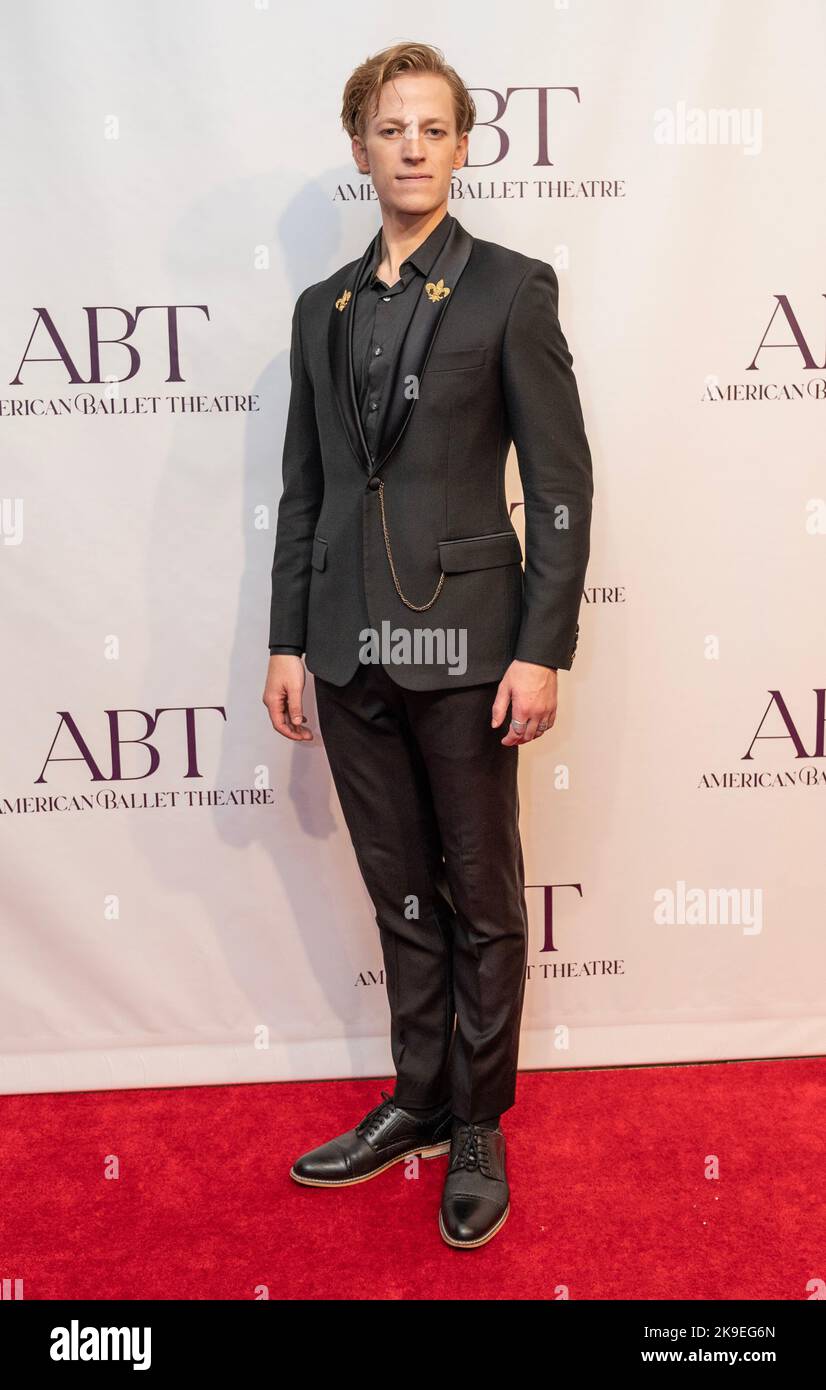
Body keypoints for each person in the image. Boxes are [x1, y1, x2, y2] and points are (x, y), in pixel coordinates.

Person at [263, 40, 593, 1249]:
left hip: (469, 645)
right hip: (345, 650)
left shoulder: (513, 287)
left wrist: (542, 645)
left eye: (434, 128)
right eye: (390, 129)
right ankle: (414, 1096)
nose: (412, 147)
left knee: (480, 894)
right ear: (359, 148)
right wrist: (288, 639)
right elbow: (306, 489)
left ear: (461, 145)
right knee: (399, 891)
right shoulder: (320, 310)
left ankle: (476, 1122)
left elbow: (560, 482)